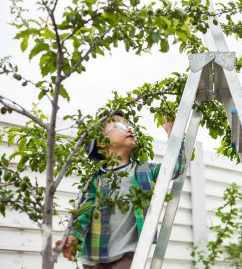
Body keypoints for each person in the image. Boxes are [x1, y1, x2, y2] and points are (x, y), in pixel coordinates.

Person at [55, 114, 185, 268]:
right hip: (93, 259)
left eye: (131, 126)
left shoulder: (143, 171)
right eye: (121, 127)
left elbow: (174, 169)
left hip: (126, 257)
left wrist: (173, 135)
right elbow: (84, 214)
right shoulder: (95, 181)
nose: (130, 129)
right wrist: (72, 238)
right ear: (102, 142)